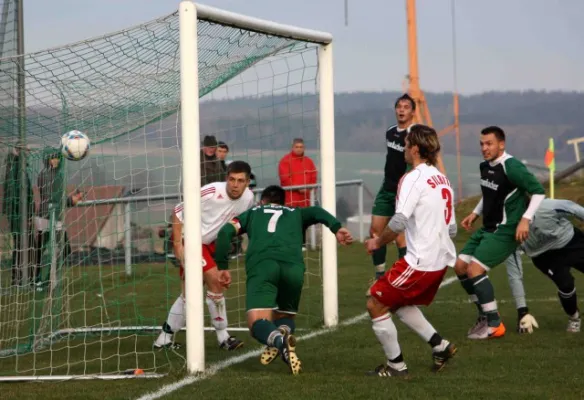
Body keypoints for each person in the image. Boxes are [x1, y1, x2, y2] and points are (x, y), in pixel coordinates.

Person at [214, 185, 353, 375]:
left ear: (262, 201)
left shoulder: (253, 212)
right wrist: (337, 228)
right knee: (285, 316)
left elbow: (224, 234)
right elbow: (318, 212)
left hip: (263, 266)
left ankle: (279, 342)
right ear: (284, 202)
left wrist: (222, 267)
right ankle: (283, 337)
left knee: (257, 324)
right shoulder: (296, 212)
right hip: (293, 268)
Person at [364, 124, 457, 377]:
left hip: (420, 262)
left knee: (375, 303)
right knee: (399, 302)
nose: (404, 149)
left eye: (406, 145)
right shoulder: (442, 179)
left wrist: (377, 242)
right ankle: (440, 346)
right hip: (439, 262)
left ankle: (396, 367)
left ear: (415, 148)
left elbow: (398, 222)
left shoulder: (412, 178)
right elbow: (453, 229)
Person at [153, 161, 255, 351]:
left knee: (188, 294)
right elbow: (178, 211)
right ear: (226, 178)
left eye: (240, 181)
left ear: (247, 182)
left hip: (212, 245)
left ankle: (164, 338)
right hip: (191, 242)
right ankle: (223, 336)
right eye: (231, 179)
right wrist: (177, 246)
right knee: (215, 282)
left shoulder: (248, 199)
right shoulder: (210, 192)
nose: (235, 184)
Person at [455, 126, 545, 339]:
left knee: (474, 269)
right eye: (482, 144)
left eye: (489, 144)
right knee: (460, 266)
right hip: (488, 228)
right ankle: (484, 315)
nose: (484, 148)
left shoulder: (512, 167)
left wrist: (525, 220)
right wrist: (475, 214)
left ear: (501, 144)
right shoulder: (485, 166)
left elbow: (538, 192)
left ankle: (495, 324)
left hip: (506, 231)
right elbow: (489, 194)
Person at [370, 94, 446, 280]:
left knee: (400, 237)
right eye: (399, 106)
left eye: (406, 106)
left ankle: (401, 278)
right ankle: (380, 277)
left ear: (413, 111)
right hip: (387, 188)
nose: (402, 109)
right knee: (375, 231)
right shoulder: (390, 131)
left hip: (404, 192)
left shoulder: (415, 135)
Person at [505, 198, 584, 332]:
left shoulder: (547, 207)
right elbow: (514, 274)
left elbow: (575, 209)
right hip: (543, 257)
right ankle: (574, 317)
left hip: (571, 243)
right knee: (565, 285)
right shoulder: (507, 231)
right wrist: (522, 311)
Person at [35, 148, 84, 290]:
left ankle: (42, 280)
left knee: (45, 248)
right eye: (53, 158)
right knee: (57, 248)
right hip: (48, 216)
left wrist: (71, 199)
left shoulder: (57, 174)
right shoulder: (47, 175)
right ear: (47, 160)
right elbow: (54, 198)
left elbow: (57, 197)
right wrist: (72, 200)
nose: (56, 160)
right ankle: (42, 281)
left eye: (57, 158)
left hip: (51, 215)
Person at [2, 146, 35, 286]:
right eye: (26, 150)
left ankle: (20, 277)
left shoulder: (16, 168)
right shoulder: (16, 169)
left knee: (23, 244)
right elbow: (19, 194)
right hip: (18, 214)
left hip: (17, 213)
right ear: (19, 151)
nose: (28, 153)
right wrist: (27, 215)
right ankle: (19, 277)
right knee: (22, 244)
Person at [278, 138, 317, 208]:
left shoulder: (309, 162)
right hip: (290, 199)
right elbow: (285, 179)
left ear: (304, 148)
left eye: (301, 147)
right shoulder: (285, 161)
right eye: (297, 147)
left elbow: (313, 177)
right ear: (292, 147)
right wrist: (298, 188)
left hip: (306, 199)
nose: (299, 149)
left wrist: (308, 188)